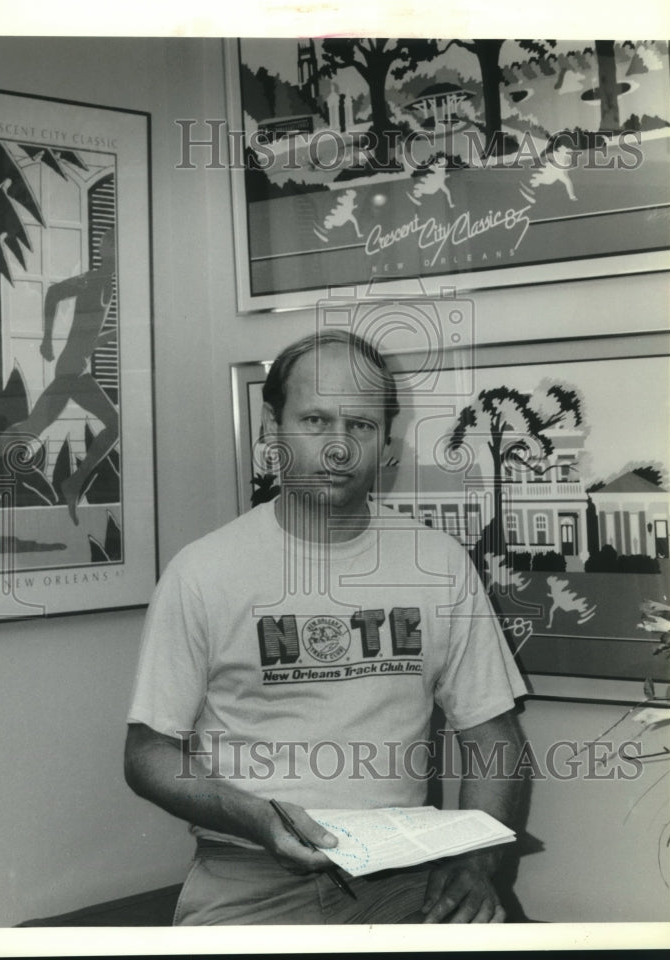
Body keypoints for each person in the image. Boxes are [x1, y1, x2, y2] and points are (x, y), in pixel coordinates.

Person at [125, 329, 527, 925]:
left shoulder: (438, 563)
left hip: (404, 877)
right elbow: (148, 753)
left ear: (383, 438)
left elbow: (495, 740)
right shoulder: (203, 571)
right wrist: (257, 818)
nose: (339, 448)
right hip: (251, 873)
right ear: (272, 427)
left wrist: (475, 862)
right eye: (315, 421)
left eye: (360, 426)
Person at [0, 228, 119, 525]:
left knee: (34, 426)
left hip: (77, 368)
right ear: (107, 249)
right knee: (113, 425)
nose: (119, 251)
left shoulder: (108, 283)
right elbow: (54, 292)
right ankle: (72, 483)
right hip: (72, 370)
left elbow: (91, 337)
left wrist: (118, 334)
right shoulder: (94, 278)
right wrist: (46, 338)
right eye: (114, 244)